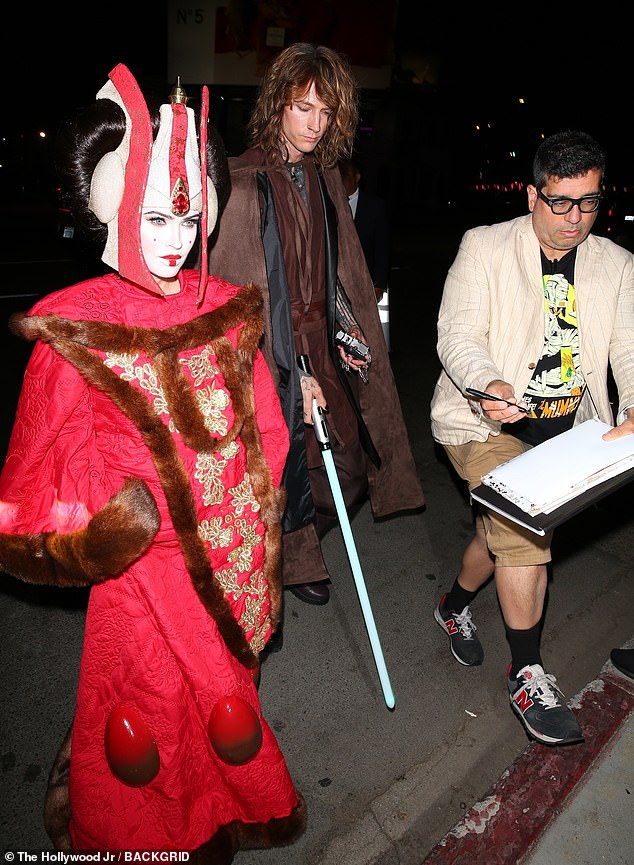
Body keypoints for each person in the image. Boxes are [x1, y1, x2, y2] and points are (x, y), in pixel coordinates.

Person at [0, 64, 305, 860]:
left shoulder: (226, 307)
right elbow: (40, 463)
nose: (176, 241)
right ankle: (137, 838)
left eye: (187, 217)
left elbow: (262, 432)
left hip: (219, 565)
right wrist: (108, 526)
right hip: (137, 576)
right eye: (157, 218)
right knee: (143, 716)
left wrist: (252, 519)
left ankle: (213, 818)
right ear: (116, 211)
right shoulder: (78, 326)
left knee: (221, 705)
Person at [430, 129, 634, 746]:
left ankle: (451, 607)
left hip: (565, 436)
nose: (577, 219)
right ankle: (526, 673)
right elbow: (456, 332)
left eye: (591, 202)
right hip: (483, 423)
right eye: (562, 202)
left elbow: (629, 349)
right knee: (523, 535)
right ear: (531, 196)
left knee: (497, 533)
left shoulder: (617, 265)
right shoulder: (485, 247)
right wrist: (486, 382)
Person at [209, 43, 424, 614]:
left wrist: (350, 335)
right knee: (280, 465)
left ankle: (290, 550)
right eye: (304, 108)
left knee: (348, 462)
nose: (315, 124)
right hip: (269, 347)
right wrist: (286, 370)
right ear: (278, 103)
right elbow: (243, 289)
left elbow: (342, 272)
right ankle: (286, 560)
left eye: (326, 112)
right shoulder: (244, 181)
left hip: (322, 344)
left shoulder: (325, 178)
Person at [339, 157, 390, 301]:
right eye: (339, 175)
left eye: (345, 175)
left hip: (364, 279)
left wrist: (379, 283)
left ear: (357, 177)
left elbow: (382, 247)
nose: (341, 180)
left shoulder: (375, 207)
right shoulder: (330, 203)